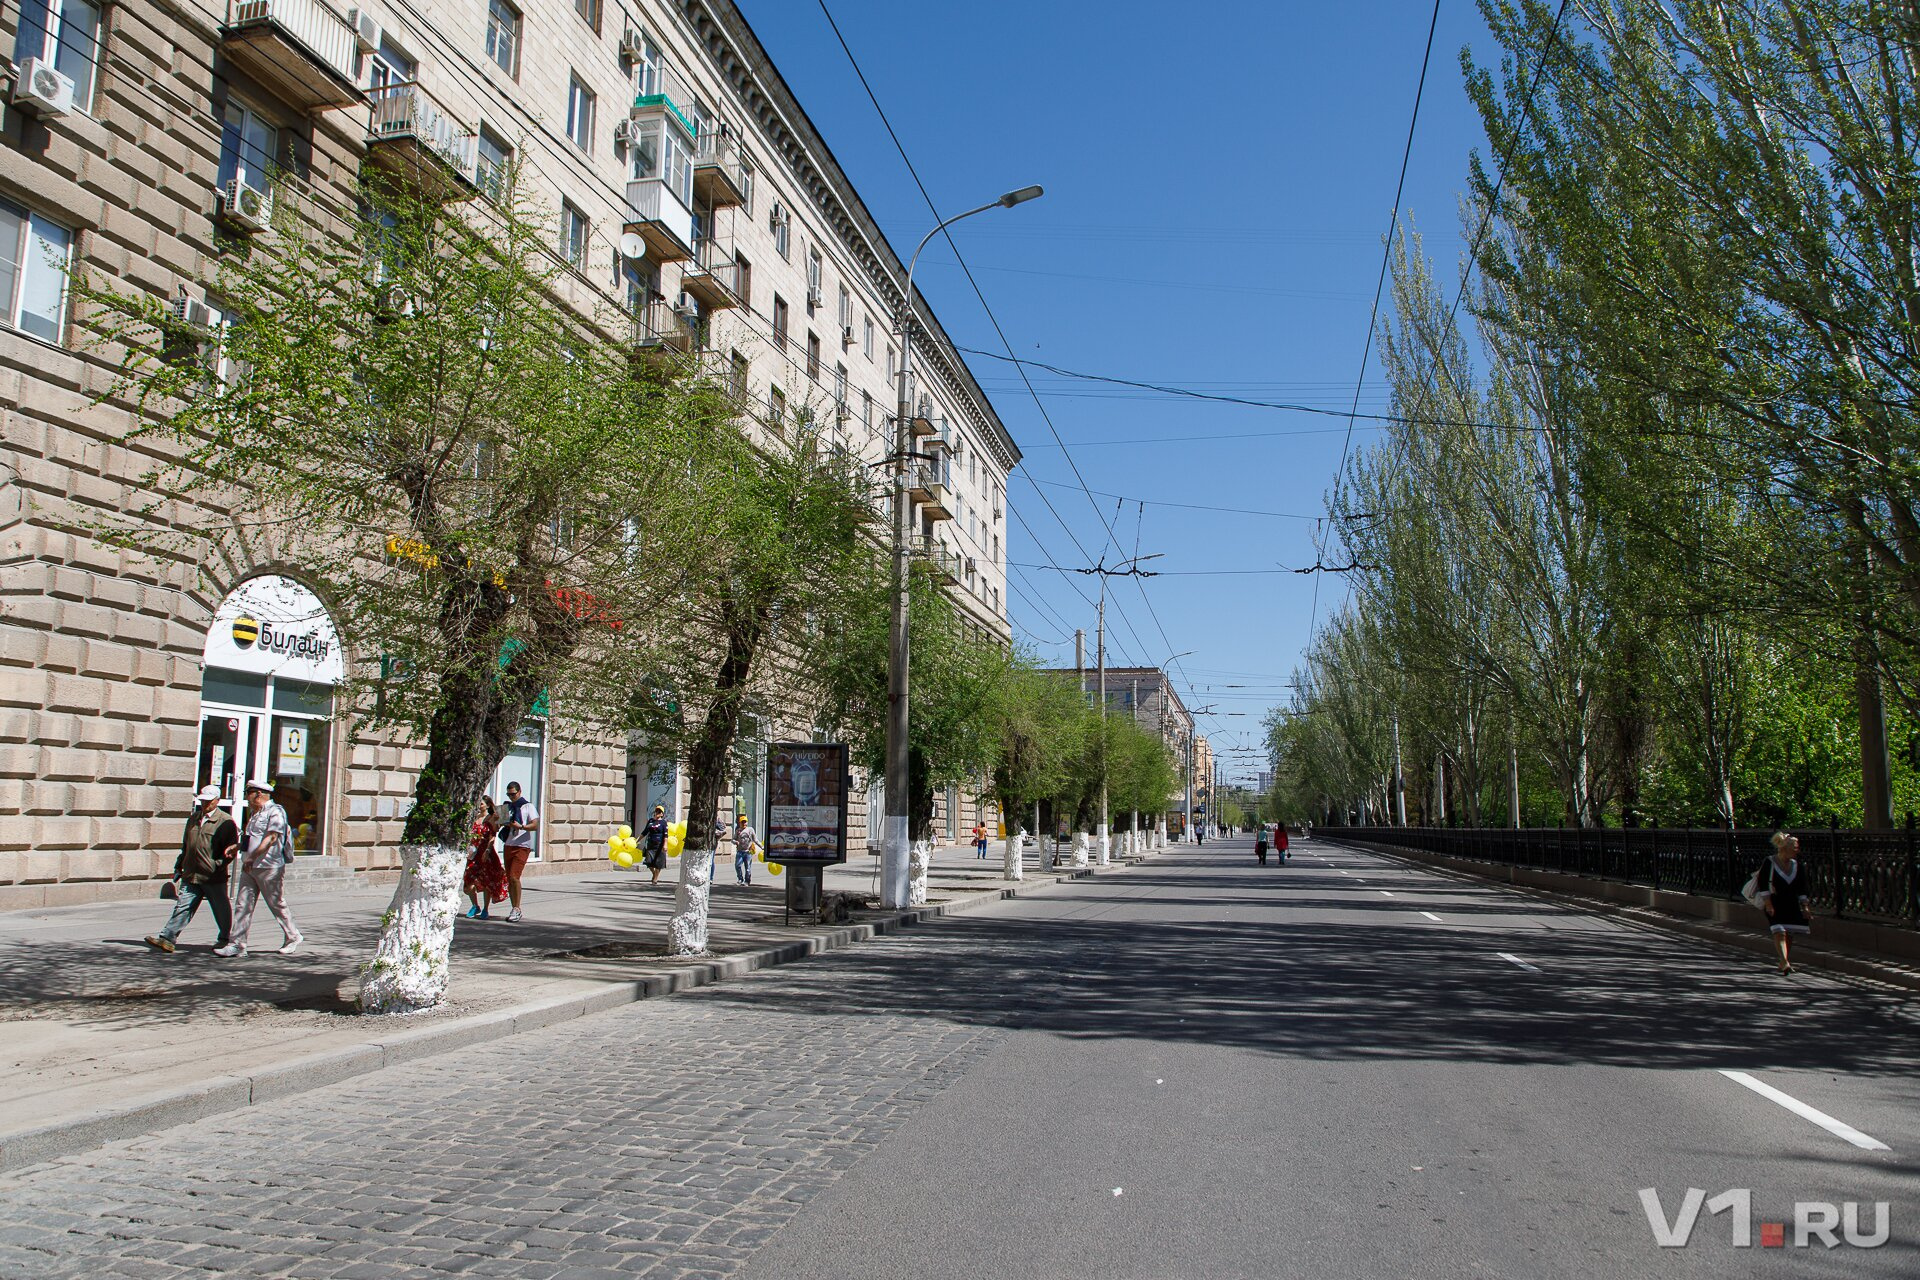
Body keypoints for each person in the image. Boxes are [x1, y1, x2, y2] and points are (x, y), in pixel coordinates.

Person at [145, 785, 239, 953]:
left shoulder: (225, 822)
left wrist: (216, 866)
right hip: (191, 873)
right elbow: (186, 845)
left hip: (212, 876)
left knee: (220, 908)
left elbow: (230, 852)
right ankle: (168, 938)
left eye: (209, 801)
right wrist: (179, 865)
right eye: (203, 801)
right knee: (183, 906)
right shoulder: (194, 818)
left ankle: (225, 938)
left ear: (217, 801)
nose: (205, 804)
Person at [218, 779, 301, 957]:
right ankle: (237, 944)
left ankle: (293, 936)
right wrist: (238, 847)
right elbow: (251, 838)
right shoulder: (255, 814)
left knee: (276, 904)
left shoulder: (276, 811)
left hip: (269, 867)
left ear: (258, 794)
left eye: (248, 794)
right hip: (250, 865)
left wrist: (253, 857)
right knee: (243, 904)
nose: (247, 798)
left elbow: (271, 838)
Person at [1759, 831, 1813, 974]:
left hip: (1791, 903)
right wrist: (1768, 904)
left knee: (1788, 933)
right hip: (1774, 903)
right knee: (1779, 932)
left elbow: (1802, 887)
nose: (1797, 850)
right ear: (1784, 848)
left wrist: (1805, 907)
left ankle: (1784, 960)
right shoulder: (1769, 862)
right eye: (1794, 847)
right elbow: (1762, 884)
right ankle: (1784, 962)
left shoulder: (1797, 866)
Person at [498, 780, 540, 923]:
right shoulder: (506, 806)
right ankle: (514, 908)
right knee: (509, 877)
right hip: (509, 843)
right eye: (509, 794)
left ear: (519, 792)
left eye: (513, 794)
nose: (511, 797)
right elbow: (500, 823)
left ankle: (517, 909)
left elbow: (535, 825)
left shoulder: (528, 806)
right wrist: (502, 821)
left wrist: (521, 826)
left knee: (514, 876)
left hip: (522, 845)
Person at [463, 796, 507, 919]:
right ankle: (475, 905)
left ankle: (485, 909)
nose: (479, 806)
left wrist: (488, 850)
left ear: (487, 805)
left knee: (487, 881)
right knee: (468, 882)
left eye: (481, 804)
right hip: (473, 854)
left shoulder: (491, 818)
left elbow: (493, 835)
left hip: (486, 853)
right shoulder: (474, 818)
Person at [641, 804, 670, 886]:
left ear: (662, 814)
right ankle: (654, 873)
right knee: (648, 862)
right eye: (656, 811)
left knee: (658, 863)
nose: (657, 812)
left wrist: (665, 845)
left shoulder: (663, 823)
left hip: (660, 845)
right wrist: (637, 840)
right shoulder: (650, 821)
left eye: (659, 812)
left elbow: (666, 835)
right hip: (651, 844)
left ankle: (655, 878)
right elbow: (644, 832)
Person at [733, 813, 757, 886]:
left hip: (748, 852)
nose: (744, 823)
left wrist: (762, 846)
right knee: (737, 865)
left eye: (745, 822)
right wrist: (735, 842)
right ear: (740, 823)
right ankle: (740, 879)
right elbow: (733, 839)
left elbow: (755, 840)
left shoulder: (750, 830)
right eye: (742, 822)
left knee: (748, 868)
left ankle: (747, 881)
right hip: (740, 852)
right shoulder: (738, 831)